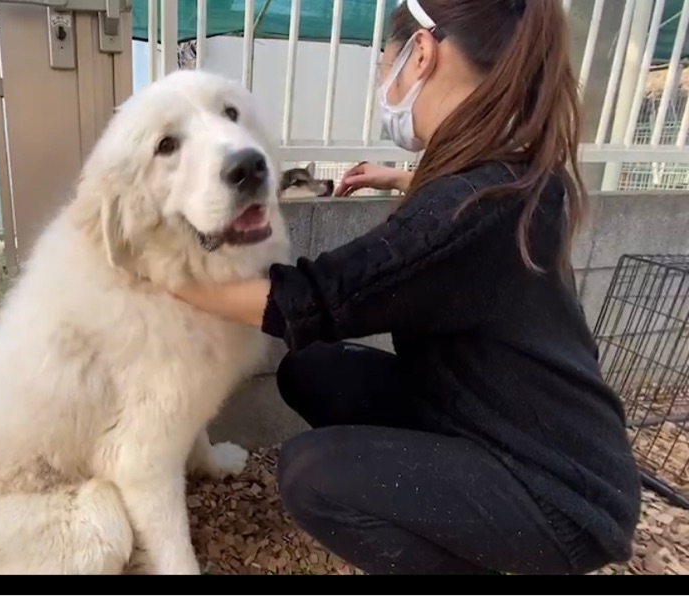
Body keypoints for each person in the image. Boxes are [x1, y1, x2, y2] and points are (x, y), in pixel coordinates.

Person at [172, 0, 642, 576]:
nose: (383, 83)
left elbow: (314, 299)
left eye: (382, 64)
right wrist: (402, 179)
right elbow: (456, 216)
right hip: (501, 421)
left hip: (562, 495)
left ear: (421, 54)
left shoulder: (466, 209)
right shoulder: (509, 173)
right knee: (311, 369)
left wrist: (167, 280)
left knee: (311, 475)